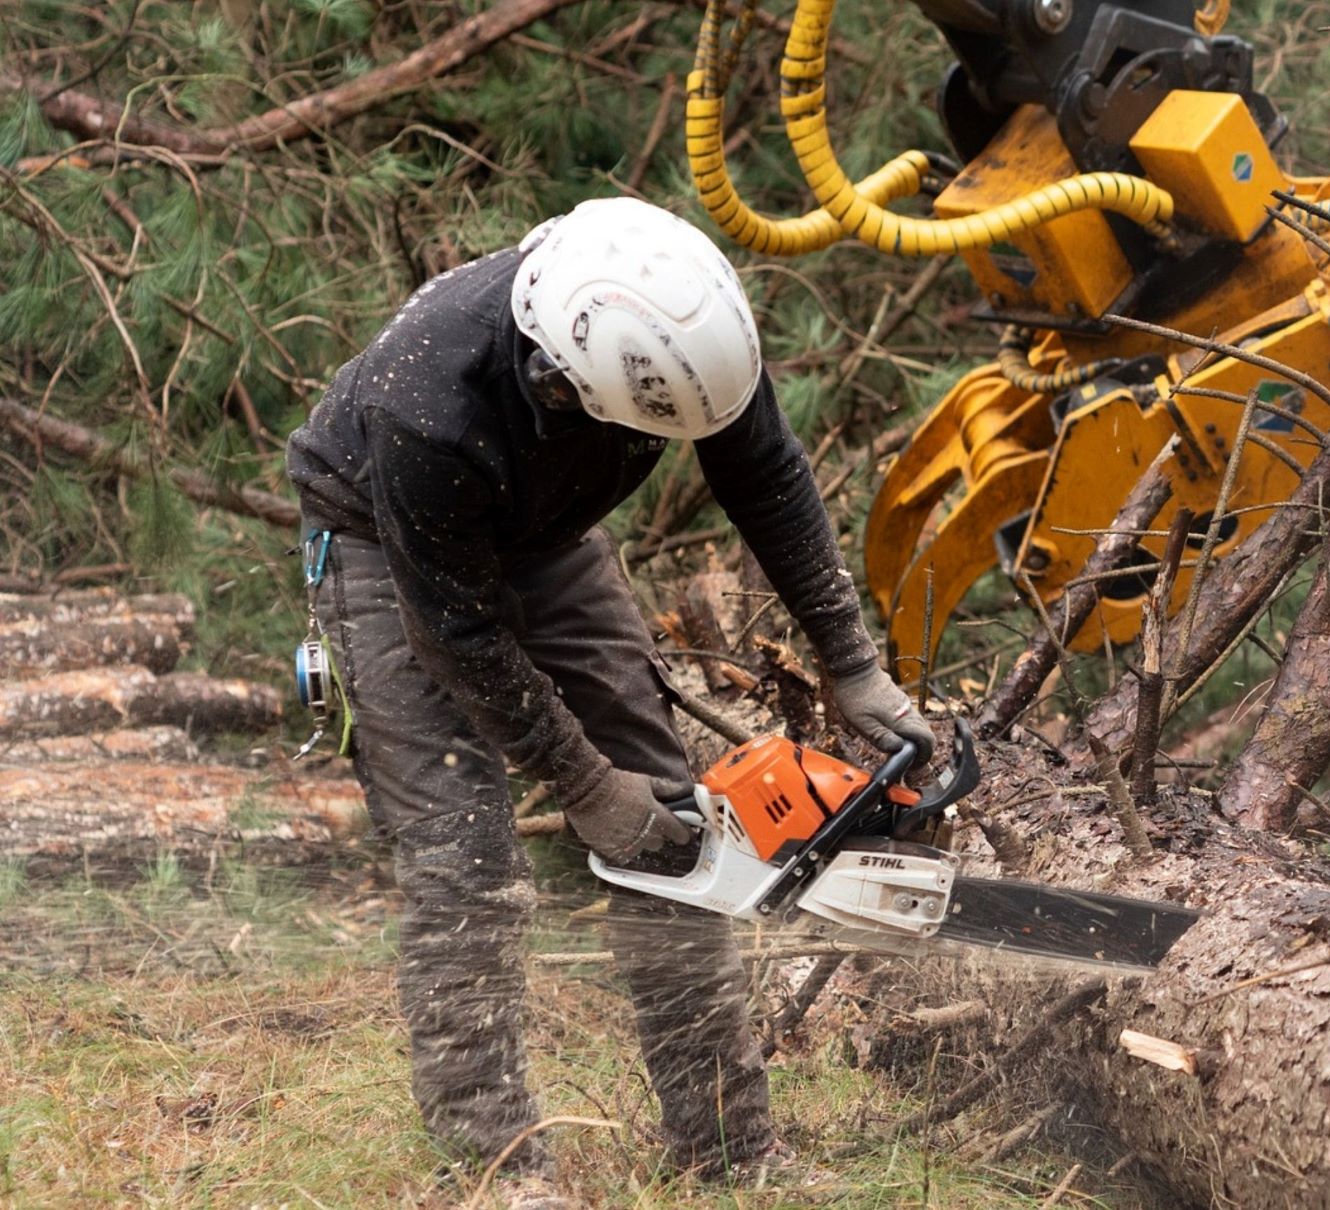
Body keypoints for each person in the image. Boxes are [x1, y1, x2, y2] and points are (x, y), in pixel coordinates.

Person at [286, 197, 933, 1202]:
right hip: (386, 546)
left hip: (546, 537)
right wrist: (583, 782)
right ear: (556, 377)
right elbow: (454, 632)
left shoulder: (682, 327)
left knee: (670, 822)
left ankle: (727, 1141)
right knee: (466, 856)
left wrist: (849, 660)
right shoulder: (430, 399)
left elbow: (764, 472)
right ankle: (496, 1162)